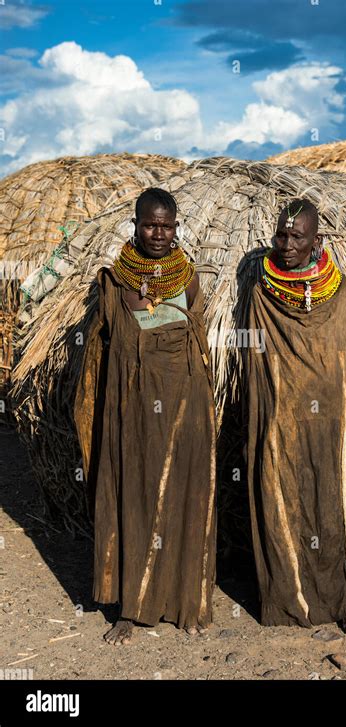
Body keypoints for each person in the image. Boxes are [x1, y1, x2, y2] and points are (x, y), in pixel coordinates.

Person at [74, 188, 217, 644]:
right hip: (133, 409)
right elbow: (102, 353)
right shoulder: (114, 282)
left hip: (185, 406)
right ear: (135, 226)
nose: (159, 233)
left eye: (167, 225)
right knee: (134, 496)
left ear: (177, 227)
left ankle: (185, 600)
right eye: (151, 225)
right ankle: (132, 609)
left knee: (185, 494)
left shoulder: (189, 278)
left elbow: (197, 347)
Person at [245, 198, 346, 634]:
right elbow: (258, 364)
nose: (285, 244)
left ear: (316, 240)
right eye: (281, 234)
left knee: (340, 497)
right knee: (283, 490)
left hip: (334, 418)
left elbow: (345, 358)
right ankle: (289, 602)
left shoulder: (337, 291)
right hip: (284, 415)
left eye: (297, 236)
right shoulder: (262, 293)